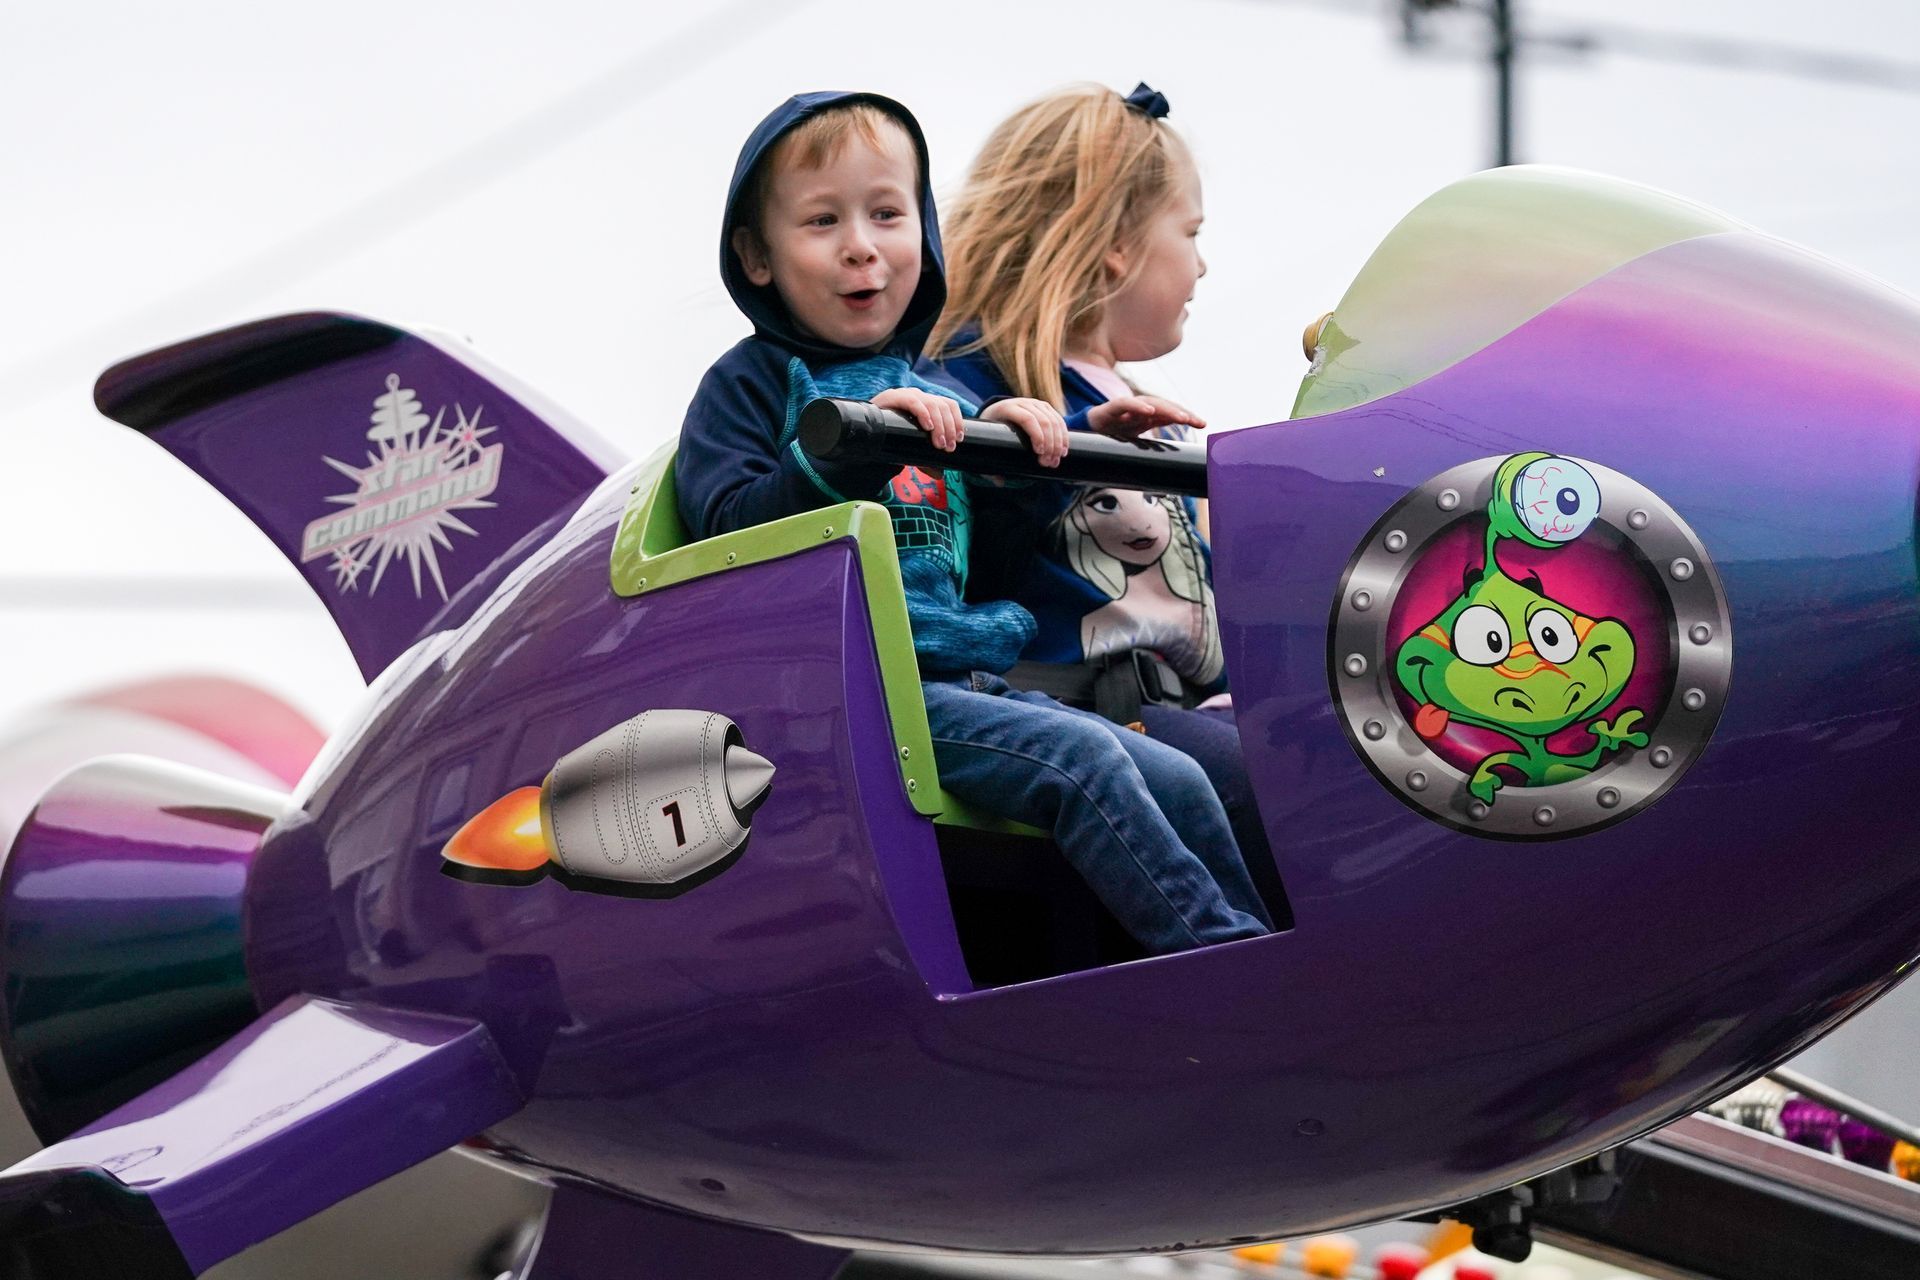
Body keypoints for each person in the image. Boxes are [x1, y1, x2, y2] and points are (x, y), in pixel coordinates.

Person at [673, 91, 1270, 954]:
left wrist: (1045, 463)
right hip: (858, 697)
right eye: (821, 222)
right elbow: (726, 536)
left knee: (1179, 776)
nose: (861, 247)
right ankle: (1224, 963)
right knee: (1090, 765)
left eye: (887, 214)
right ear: (757, 256)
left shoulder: (943, 393)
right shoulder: (751, 384)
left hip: (964, 681)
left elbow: (985, 567)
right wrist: (850, 448)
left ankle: (1267, 951)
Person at [926, 82, 1286, 921]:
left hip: (1202, 708)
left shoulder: (1144, 404)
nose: (1202, 264)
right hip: (1095, 715)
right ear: (1119, 245)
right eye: (1190, 234)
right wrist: (1037, 449)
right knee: (1265, 792)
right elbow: (963, 540)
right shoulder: (976, 388)